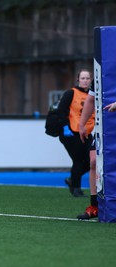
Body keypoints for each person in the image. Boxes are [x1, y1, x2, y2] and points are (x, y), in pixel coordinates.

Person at [58, 69, 94, 197]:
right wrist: (65, 127)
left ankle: (72, 179)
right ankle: (77, 189)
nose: (85, 81)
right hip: (72, 133)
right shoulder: (71, 93)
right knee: (78, 160)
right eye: (83, 78)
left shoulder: (93, 94)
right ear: (78, 80)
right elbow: (61, 110)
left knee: (92, 161)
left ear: (91, 80)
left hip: (88, 132)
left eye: (87, 78)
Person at [78, 82, 98, 219]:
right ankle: (94, 206)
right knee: (94, 163)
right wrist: (82, 124)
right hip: (103, 128)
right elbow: (91, 99)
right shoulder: (101, 74)